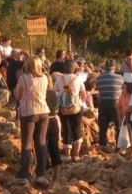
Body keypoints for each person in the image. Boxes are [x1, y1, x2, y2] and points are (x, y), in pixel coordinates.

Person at [14, 55, 50, 184]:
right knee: (41, 143)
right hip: (44, 112)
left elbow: (17, 94)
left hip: (28, 113)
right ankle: (41, 174)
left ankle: (24, 175)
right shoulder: (45, 78)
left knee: (27, 143)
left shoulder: (23, 78)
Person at [53, 59, 86, 159]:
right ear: (74, 68)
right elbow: (83, 93)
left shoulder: (59, 79)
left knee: (66, 129)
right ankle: (76, 154)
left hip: (63, 108)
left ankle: (67, 155)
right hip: (76, 107)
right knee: (77, 128)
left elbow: (54, 92)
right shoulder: (78, 78)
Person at [96, 58, 124, 148]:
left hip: (103, 103)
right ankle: (118, 147)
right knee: (118, 126)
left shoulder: (99, 78)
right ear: (114, 67)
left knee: (102, 128)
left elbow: (98, 89)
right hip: (115, 104)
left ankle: (102, 146)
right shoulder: (120, 78)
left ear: (105, 67)